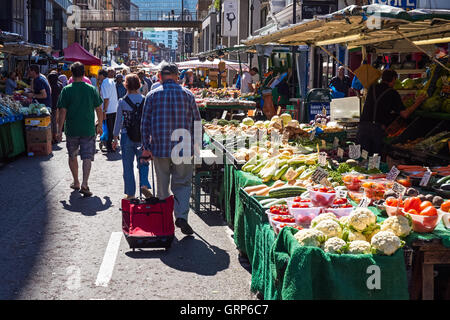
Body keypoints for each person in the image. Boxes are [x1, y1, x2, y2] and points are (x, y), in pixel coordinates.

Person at [141, 62, 201, 235]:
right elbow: (197, 122)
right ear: (177, 77)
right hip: (183, 148)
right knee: (182, 183)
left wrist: (146, 147)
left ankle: (164, 221)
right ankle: (181, 216)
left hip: (160, 147)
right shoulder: (188, 95)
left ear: (160, 76)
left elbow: (144, 124)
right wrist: (197, 146)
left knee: (162, 186)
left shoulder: (152, 95)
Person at [56, 61, 103, 197]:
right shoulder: (91, 89)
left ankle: (76, 181)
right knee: (87, 157)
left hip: (71, 129)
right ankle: (85, 183)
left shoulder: (66, 90)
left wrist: (59, 130)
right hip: (88, 129)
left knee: (72, 155)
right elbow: (99, 109)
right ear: (84, 74)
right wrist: (99, 125)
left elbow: (62, 111)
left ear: (71, 74)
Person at [356, 69, 427, 155]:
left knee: (363, 156)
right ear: (393, 79)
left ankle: (362, 167)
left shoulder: (372, 88)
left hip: (362, 127)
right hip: (376, 130)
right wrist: (418, 102)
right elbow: (405, 114)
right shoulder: (393, 93)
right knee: (374, 158)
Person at [112, 74, 152, 200]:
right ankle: (144, 184)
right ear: (139, 85)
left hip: (126, 135)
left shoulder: (122, 101)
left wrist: (114, 138)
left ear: (126, 85)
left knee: (127, 165)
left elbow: (118, 121)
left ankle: (130, 193)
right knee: (143, 161)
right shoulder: (145, 99)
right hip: (142, 136)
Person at [98, 68, 119, 152]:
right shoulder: (111, 81)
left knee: (109, 129)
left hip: (109, 109)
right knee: (113, 129)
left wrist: (104, 111)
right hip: (114, 108)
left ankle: (109, 146)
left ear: (101, 75)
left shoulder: (104, 83)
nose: (98, 77)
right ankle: (113, 145)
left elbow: (106, 99)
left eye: (98, 75)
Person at [47, 71, 63, 144]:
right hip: (58, 105)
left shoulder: (49, 86)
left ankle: (52, 138)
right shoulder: (59, 85)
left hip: (50, 105)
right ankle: (55, 137)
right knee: (55, 122)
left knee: (51, 122)